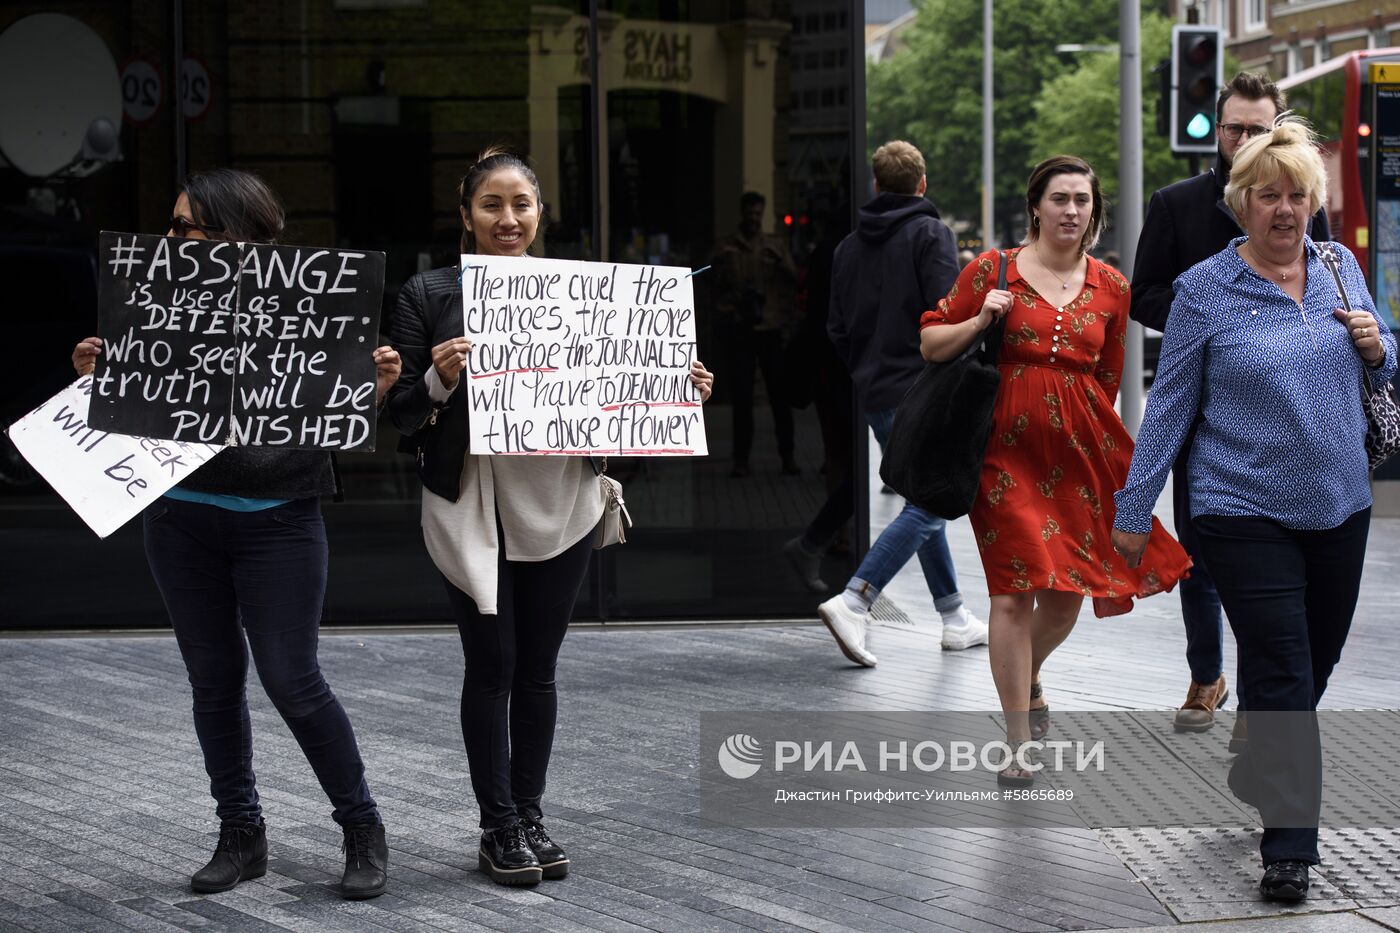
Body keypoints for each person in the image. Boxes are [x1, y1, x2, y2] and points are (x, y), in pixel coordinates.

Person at [386, 146, 714, 887]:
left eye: (521, 205)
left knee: (537, 670)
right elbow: (399, 416)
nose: (508, 218)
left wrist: (672, 394)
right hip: (473, 505)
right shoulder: (429, 293)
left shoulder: (584, 292)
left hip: (562, 499)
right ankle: (497, 823)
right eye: (491, 205)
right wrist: (437, 382)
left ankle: (528, 812)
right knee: (491, 666)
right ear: (465, 215)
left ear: (541, 213)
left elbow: (627, 428)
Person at [71, 168, 399, 899]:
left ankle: (361, 824)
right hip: (181, 519)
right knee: (213, 683)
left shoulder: (312, 303)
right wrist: (97, 374)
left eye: (185, 228)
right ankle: (240, 831)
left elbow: (330, 425)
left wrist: (368, 391)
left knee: (292, 678)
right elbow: (129, 414)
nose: (170, 239)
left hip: (278, 522)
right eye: (172, 226)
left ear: (231, 234)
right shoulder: (155, 300)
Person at [1113, 119, 1392, 903]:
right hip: (1242, 508)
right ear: (1241, 204)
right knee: (1281, 665)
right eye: (1268, 193)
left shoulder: (1339, 267)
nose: (1285, 208)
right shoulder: (1206, 289)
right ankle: (1291, 847)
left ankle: (1257, 761)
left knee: (1315, 662)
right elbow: (1168, 408)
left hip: (1339, 501)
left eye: (1298, 193)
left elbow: (1386, 358)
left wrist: (1376, 346)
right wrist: (1135, 508)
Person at [919, 155, 1191, 786]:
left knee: (1067, 596)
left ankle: (1027, 676)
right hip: (1001, 454)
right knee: (1012, 593)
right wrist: (982, 318)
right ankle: (1017, 740)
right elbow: (931, 342)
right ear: (1035, 206)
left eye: (1083, 200)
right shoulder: (993, 269)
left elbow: (1107, 379)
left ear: (1095, 211)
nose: (1072, 210)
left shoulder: (1114, 288)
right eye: (1060, 199)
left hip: (1079, 456)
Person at [1131, 72, 1331, 740]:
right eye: (1235, 127)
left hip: (1288, 424)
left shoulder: (1302, 203)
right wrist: (1206, 321)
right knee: (1201, 550)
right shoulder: (1176, 203)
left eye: (1259, 128)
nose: (1245, 138)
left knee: (1274, 575)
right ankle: (1205, 672)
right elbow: (1144, 293)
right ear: (1215, 131)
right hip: (1202, 415)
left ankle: (1260, 695)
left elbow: (1329, 285)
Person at [811, 140, 987, 663]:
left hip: (876, 389)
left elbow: (836, 327)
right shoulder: (930, 233)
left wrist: (866, 369)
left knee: (922, 495)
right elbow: (945, 312)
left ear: (876, 185)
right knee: (934, 498)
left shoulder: (848, 247)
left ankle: (955, 615)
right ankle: (856, 599)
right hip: (924, 387)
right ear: (922, 184)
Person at [712, 191, 798, 477]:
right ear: (742, 213)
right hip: (741, 329)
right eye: (749, 213)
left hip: (770, 328)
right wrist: (719, 262)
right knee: (742, 399)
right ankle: (741, 460)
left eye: (757, 213)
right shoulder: (727, 247)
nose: (753, 218)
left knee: (779, 396)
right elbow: (708, 278)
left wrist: (780, 261)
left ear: (762, 214)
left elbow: (794, 278)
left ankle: (788, 457)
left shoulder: (773, 245)